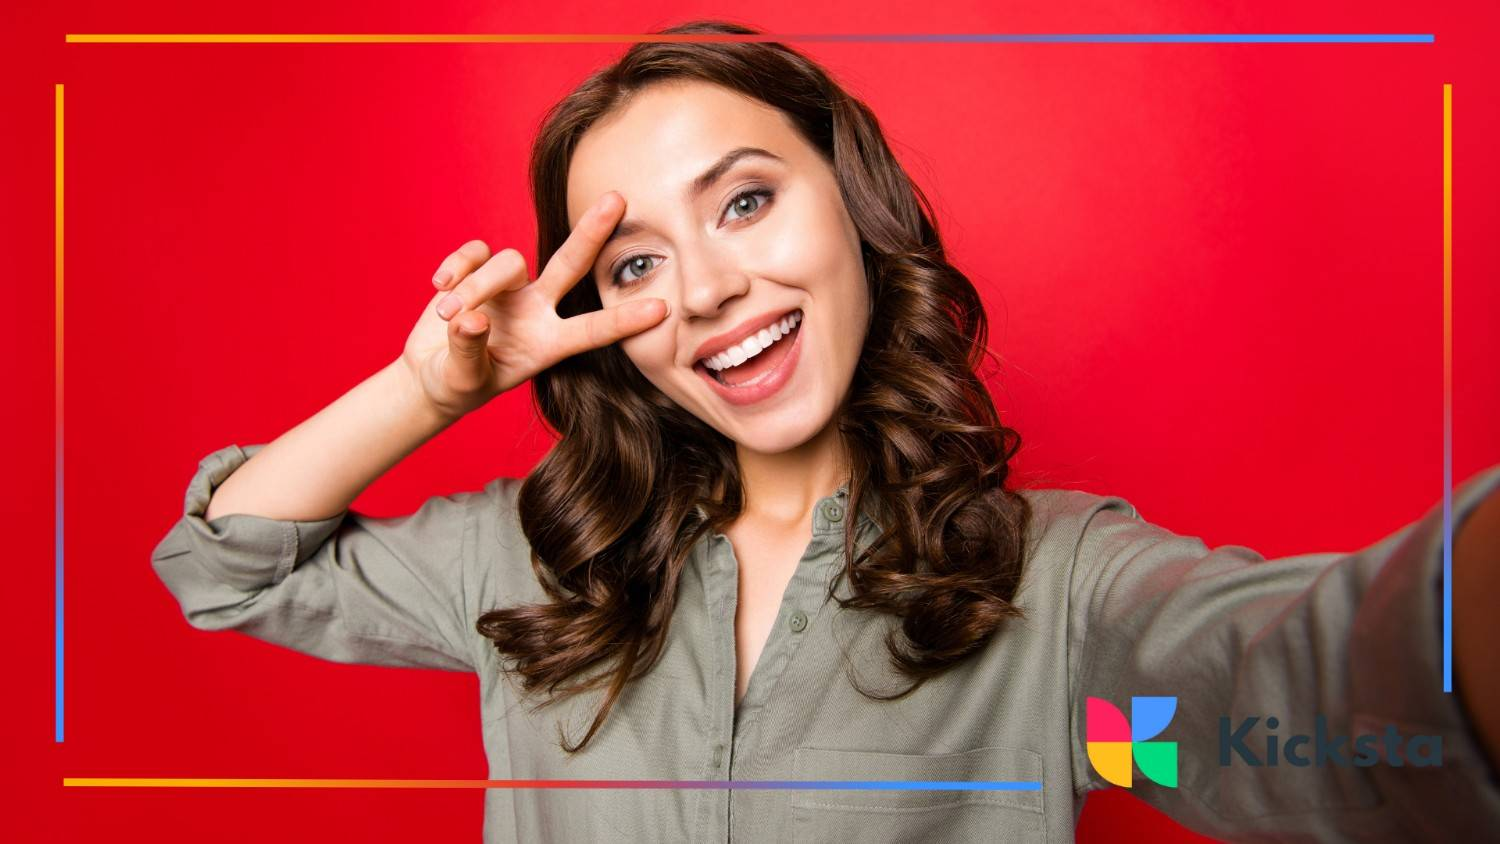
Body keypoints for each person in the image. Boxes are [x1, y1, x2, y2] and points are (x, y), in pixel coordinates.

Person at [150, 19, 1500, 844]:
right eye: (633, 267)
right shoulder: (533, 567)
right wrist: (435, 392)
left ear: (855, 208)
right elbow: (223, 569)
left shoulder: (1060, 622)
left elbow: (1312, 713)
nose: (707, 290)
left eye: (743, 203)